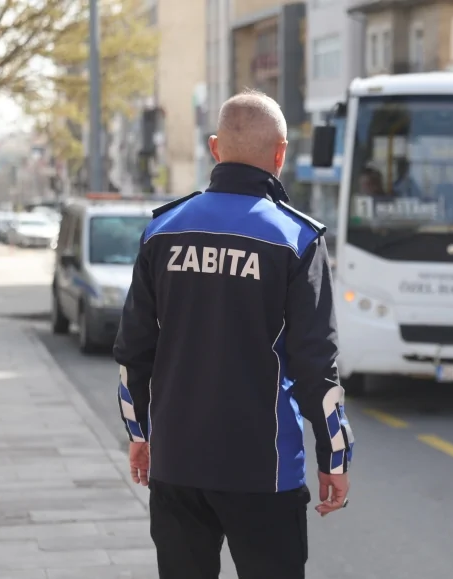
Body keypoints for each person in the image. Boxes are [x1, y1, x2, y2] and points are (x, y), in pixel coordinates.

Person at [113, 88, 354, 579]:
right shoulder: (297, 240)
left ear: (215, 147)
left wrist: (139, 433)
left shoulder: (162, 232)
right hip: (264, 473)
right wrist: (335, 456)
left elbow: (133, 350)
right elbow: (316, 366)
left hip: (176, 465)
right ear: (281, 154)